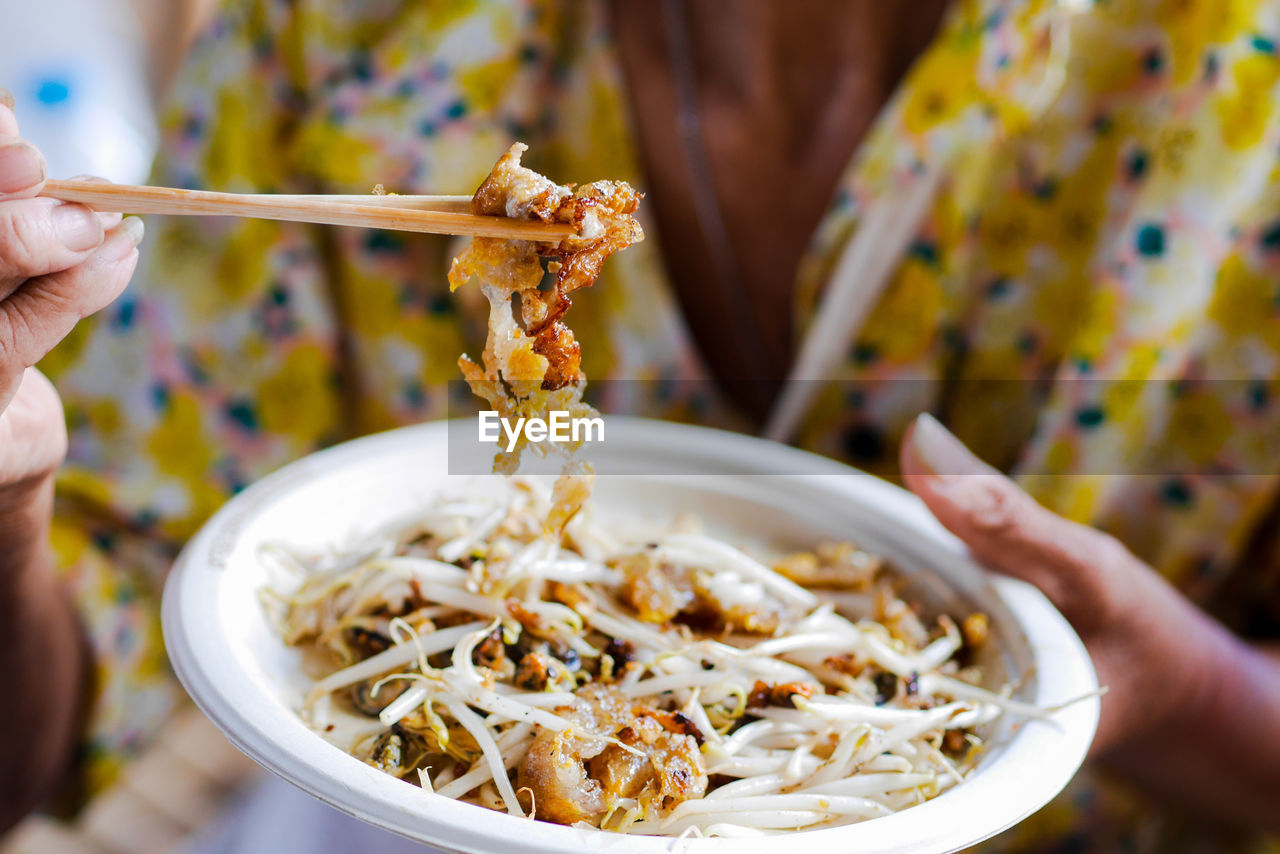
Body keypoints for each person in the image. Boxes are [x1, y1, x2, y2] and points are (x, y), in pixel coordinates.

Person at [2, 1, 1279, 850]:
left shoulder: (1240, 91)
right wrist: (12, 492)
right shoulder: (343, 37)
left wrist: (1179, 694)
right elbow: (53, 739)